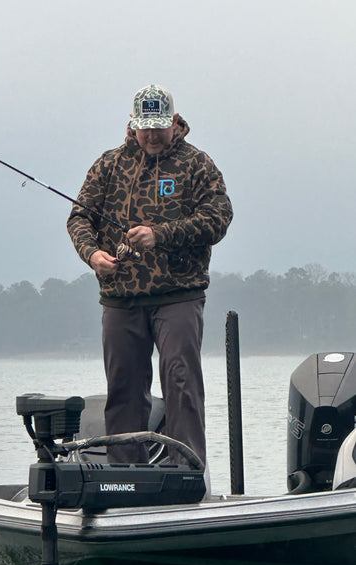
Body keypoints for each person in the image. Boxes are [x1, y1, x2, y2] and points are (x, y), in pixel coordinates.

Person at [67, 84, 232, 469]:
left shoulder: (197, 164)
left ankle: (187, 474)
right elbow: (79, 217)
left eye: (159, 127)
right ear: (132, 124)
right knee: (123, 388)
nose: (152, 135)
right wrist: (92, 254)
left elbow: (218, 218)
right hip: (121, 297)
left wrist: (161, 234)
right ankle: (125, 475)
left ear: (175, 122)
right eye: (145, 127)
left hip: (179, 295)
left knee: (181, 383)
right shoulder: (108, 165)